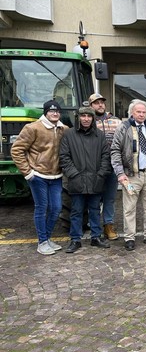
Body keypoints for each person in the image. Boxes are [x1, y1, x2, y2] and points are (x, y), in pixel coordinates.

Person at [11, 100, 68, 255]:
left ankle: (47, 238)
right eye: (51, 111)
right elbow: (16, 150)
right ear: (46, 112)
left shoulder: (64, 129)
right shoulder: (32, 128)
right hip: (38, 176)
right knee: (41, 208)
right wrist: (28, 173)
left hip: (56, 176)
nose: (55, 113)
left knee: (56, 208)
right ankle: (42, 241)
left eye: (57, 111)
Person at [110, 99, 146, 251]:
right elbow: (115, 151)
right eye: (138, 112)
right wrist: (120, 173)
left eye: (144, 112)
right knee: (129, 208)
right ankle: (129, 237)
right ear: (132, 113)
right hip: (131, 175)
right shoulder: (123, 128)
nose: (141, 114)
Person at [59, 106, 112, 253]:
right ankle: (75, 239)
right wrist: (74, 174)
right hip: (77, 180)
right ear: (78, 117)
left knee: (95, 210)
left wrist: (101, 174)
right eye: (83, 116)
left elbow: (105, 156)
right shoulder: (69, 134)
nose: (86, 119)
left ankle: (96, 237)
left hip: (95, 180)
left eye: (89, 116)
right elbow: (64, 157)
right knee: (76, 211)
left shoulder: (99, 135)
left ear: (93, 118)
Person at [89, 93, 122, 241]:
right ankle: (94, 227)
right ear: (91, 106)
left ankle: (108, 225)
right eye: (96, 103)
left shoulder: (116, 121)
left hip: (112, 166)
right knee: (94, 198)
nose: (100, 105)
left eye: (102, 102)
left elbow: (123, 141)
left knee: (109, 198)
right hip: (94, 167)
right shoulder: (86, 121)